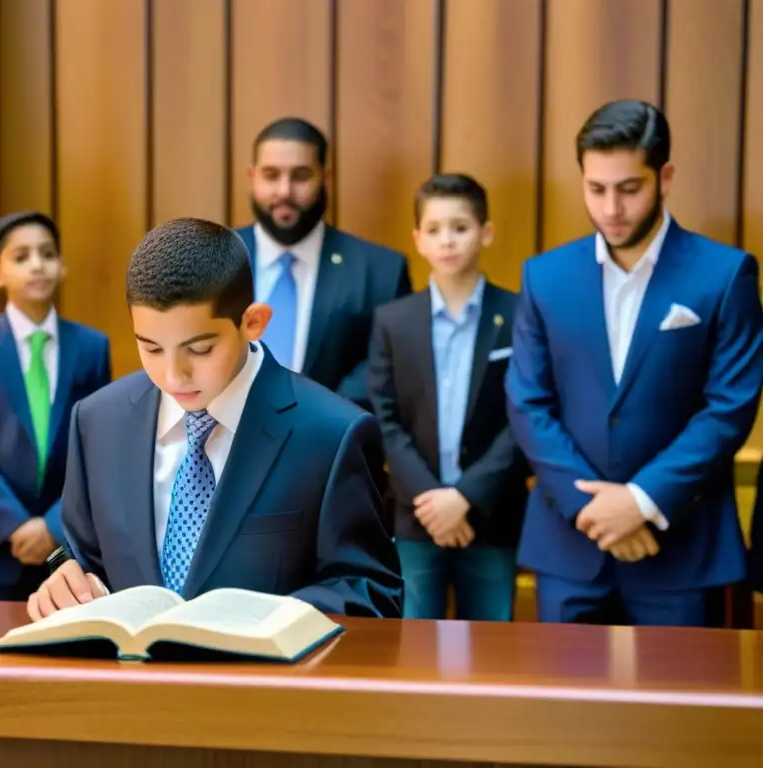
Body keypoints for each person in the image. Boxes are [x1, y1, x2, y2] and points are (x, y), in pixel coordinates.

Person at [26, 217, 402, 621]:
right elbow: (86, 558)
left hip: (265, 679)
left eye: (200, 349)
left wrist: (255, 622)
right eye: (151, 348)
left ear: (253, 322)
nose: (173, 376)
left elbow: (371, 592)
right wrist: (66, 580)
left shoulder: (331, 434)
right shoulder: (98, 420)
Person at [506, 99, 763, 626]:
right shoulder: (544, 276)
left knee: (684, 709)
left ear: (664, 177)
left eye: (629, 188)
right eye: (596, 189)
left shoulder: (725, 273)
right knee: (565, 709)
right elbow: (527, 401)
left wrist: (642, 501)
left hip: (682, 549)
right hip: (569, 547)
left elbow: (729, 407)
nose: (611, 209)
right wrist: (595, 511)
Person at [369, 174, 529, 621]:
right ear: (418, 239)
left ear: (487, 232)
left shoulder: (518, 314)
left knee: (492, 645)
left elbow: (524, 416)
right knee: (416, 647)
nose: (447, 241)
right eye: (434, 229)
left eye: (460, 227)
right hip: (415, 516)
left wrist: (466, 497)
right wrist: (431, 499)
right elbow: (384, 418)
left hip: (491, 512)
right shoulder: (393, 321)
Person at [0, 211, 111, 601]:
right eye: (21, 257)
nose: (37, 264)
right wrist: (16, 526)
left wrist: (53, 526)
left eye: (47, 254)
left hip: (67, 543)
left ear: (61, 266)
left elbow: (98, 448)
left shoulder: (91, 347)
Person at [235, 117, 412, 411]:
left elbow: (387, 365)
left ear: (325, 178)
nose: (284, 191)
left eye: (300, 175)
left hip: (334, 445)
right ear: (251, 176)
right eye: (271, 175)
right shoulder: (211, 259)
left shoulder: (381, 272)